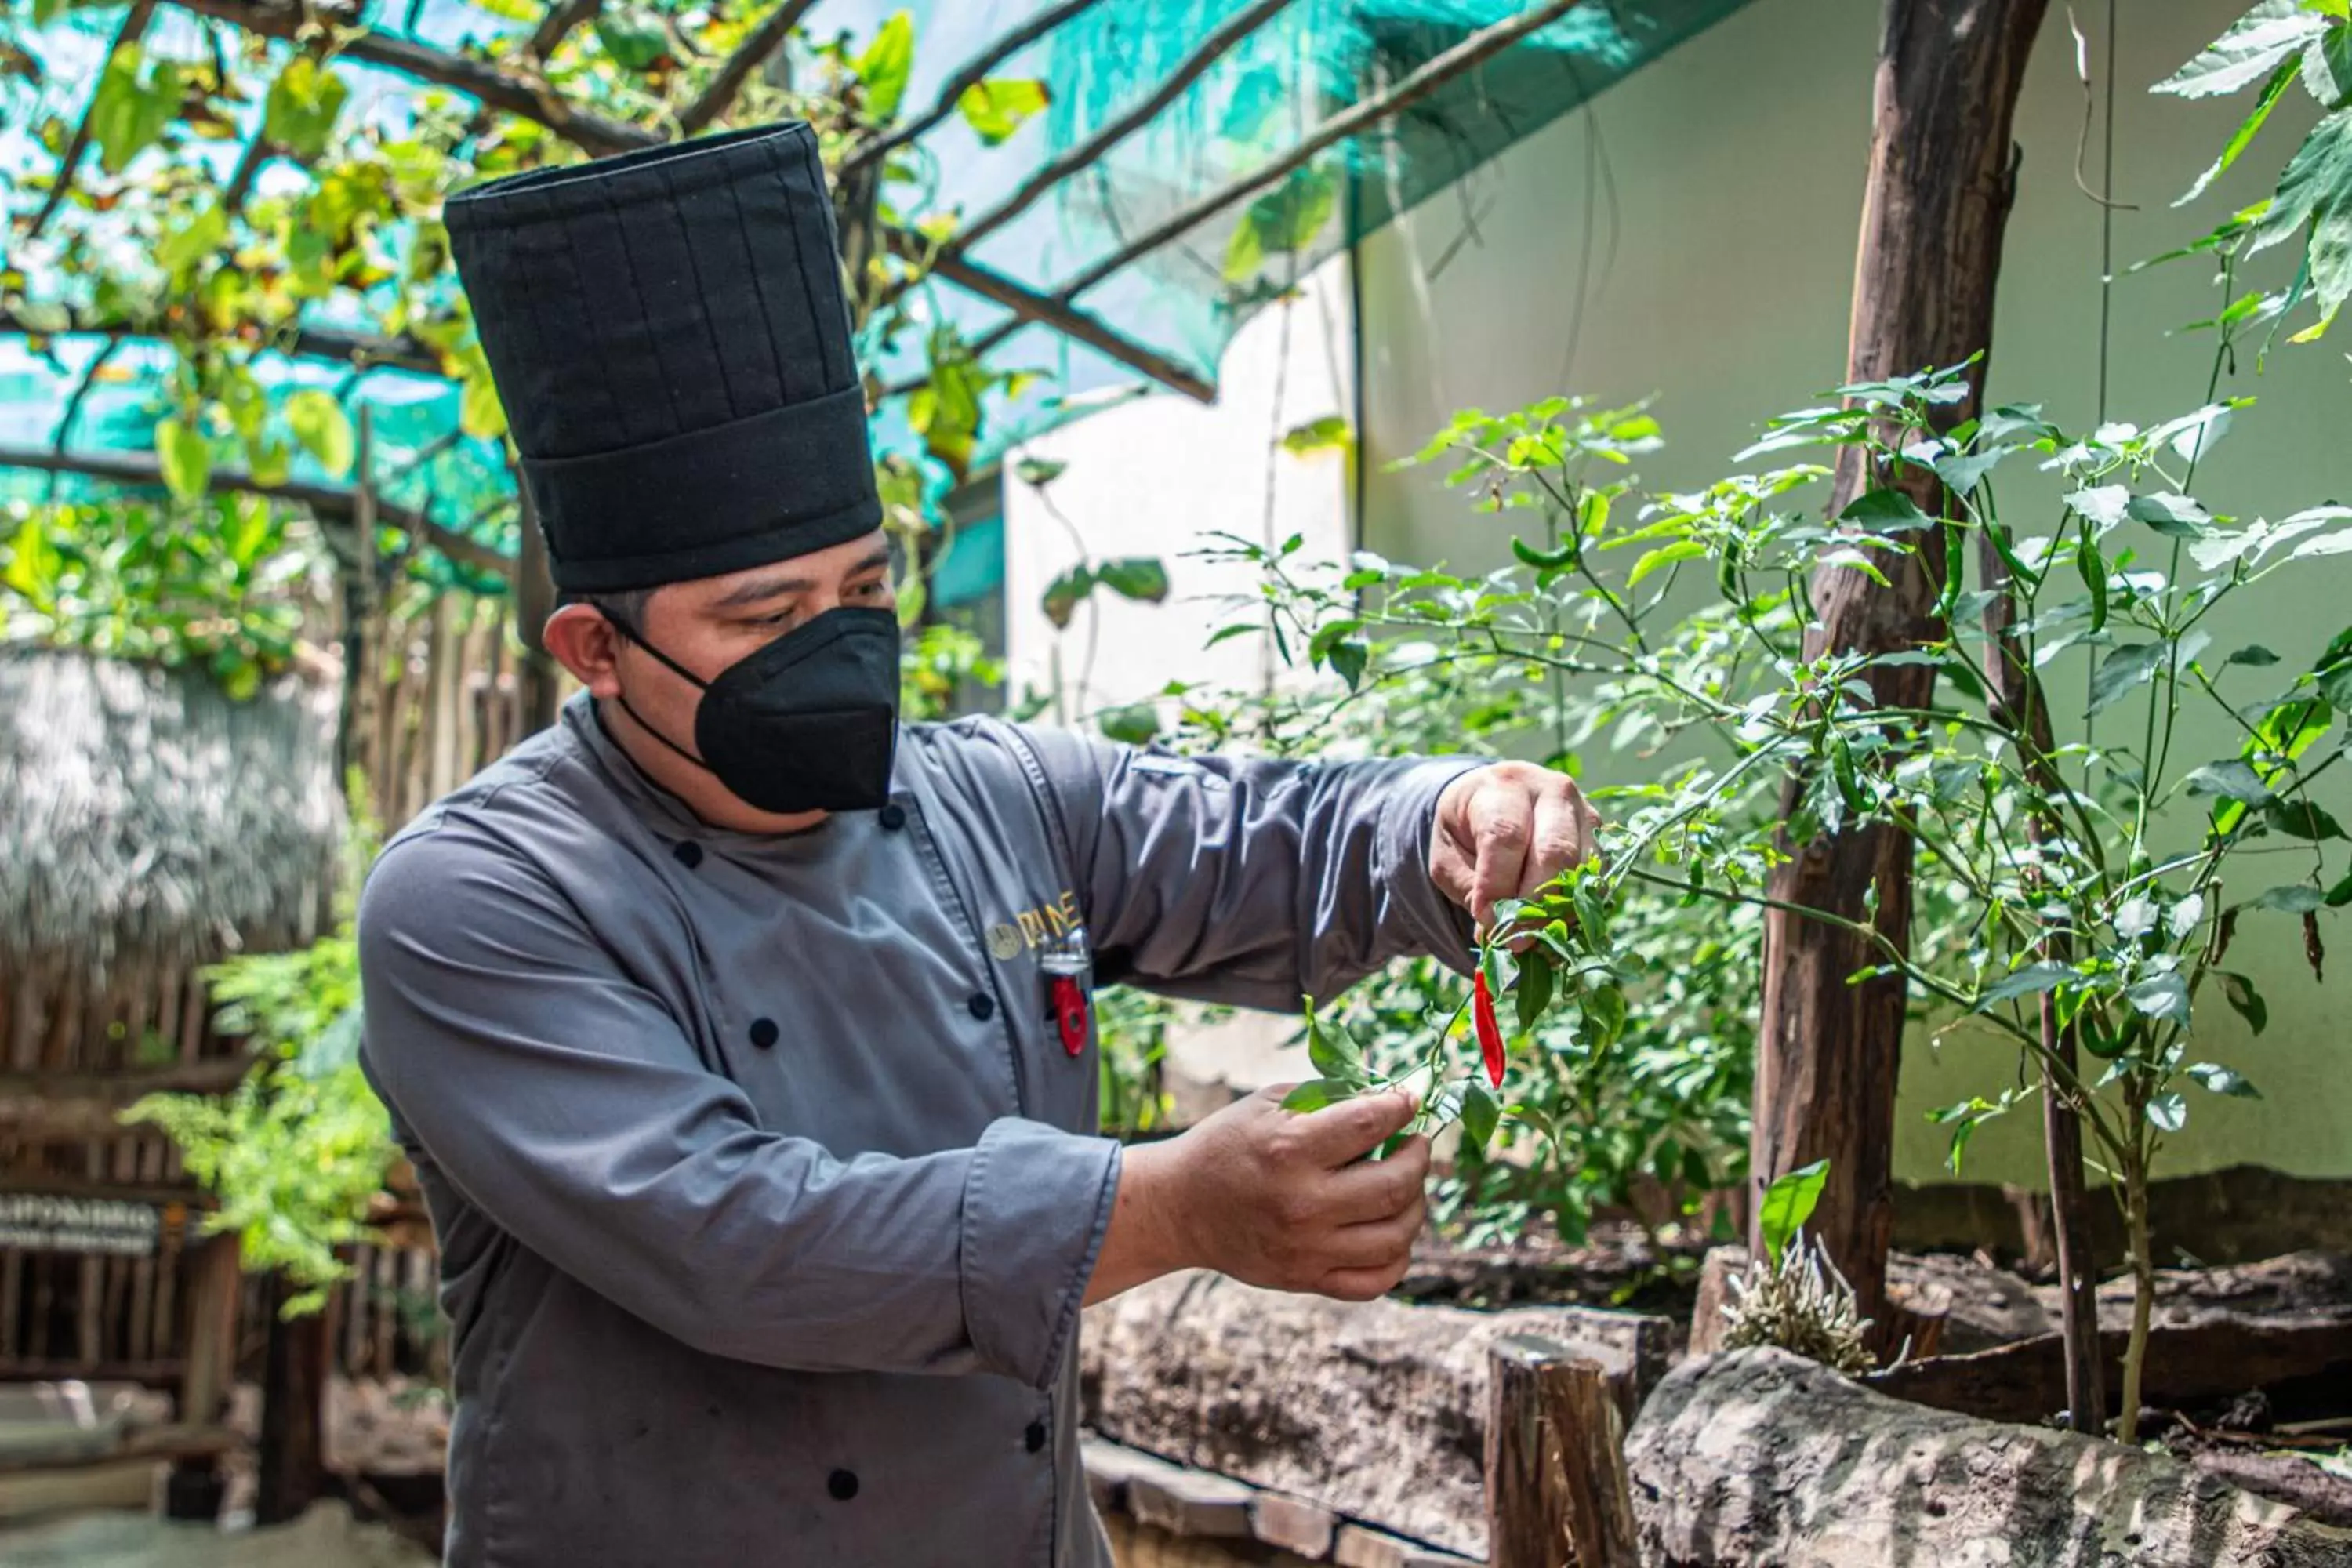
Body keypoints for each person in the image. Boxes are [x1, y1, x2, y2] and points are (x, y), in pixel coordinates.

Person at [356, 121, 1597, 1568]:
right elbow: (740, 1239)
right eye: (764, 620)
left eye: (865, 585)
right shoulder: (481, 899)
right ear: (595, 650)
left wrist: (1442, 815)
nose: (838, 645)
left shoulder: (995, 796)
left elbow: (1268, 832)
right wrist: (1169, 1203)